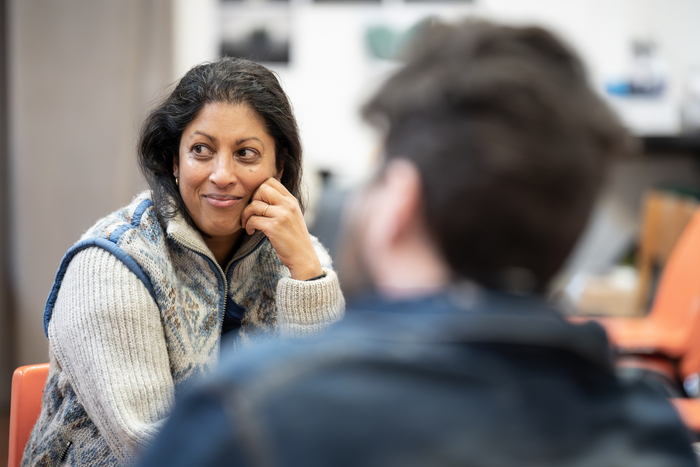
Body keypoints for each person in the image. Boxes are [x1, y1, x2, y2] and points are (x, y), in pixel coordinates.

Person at [137, 21, 697, 467]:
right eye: (203, 151)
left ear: (398, 203)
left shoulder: (246, 413)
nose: (222, 176)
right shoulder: (650, 437)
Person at [22, 57, 345, 467]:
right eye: (201, 151)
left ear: (278, 168)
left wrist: (308, 275)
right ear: (175, 161)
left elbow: (330, 410)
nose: (222, 174)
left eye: (246, 153)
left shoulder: (298, 256)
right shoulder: (110, 266)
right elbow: (154, 448)